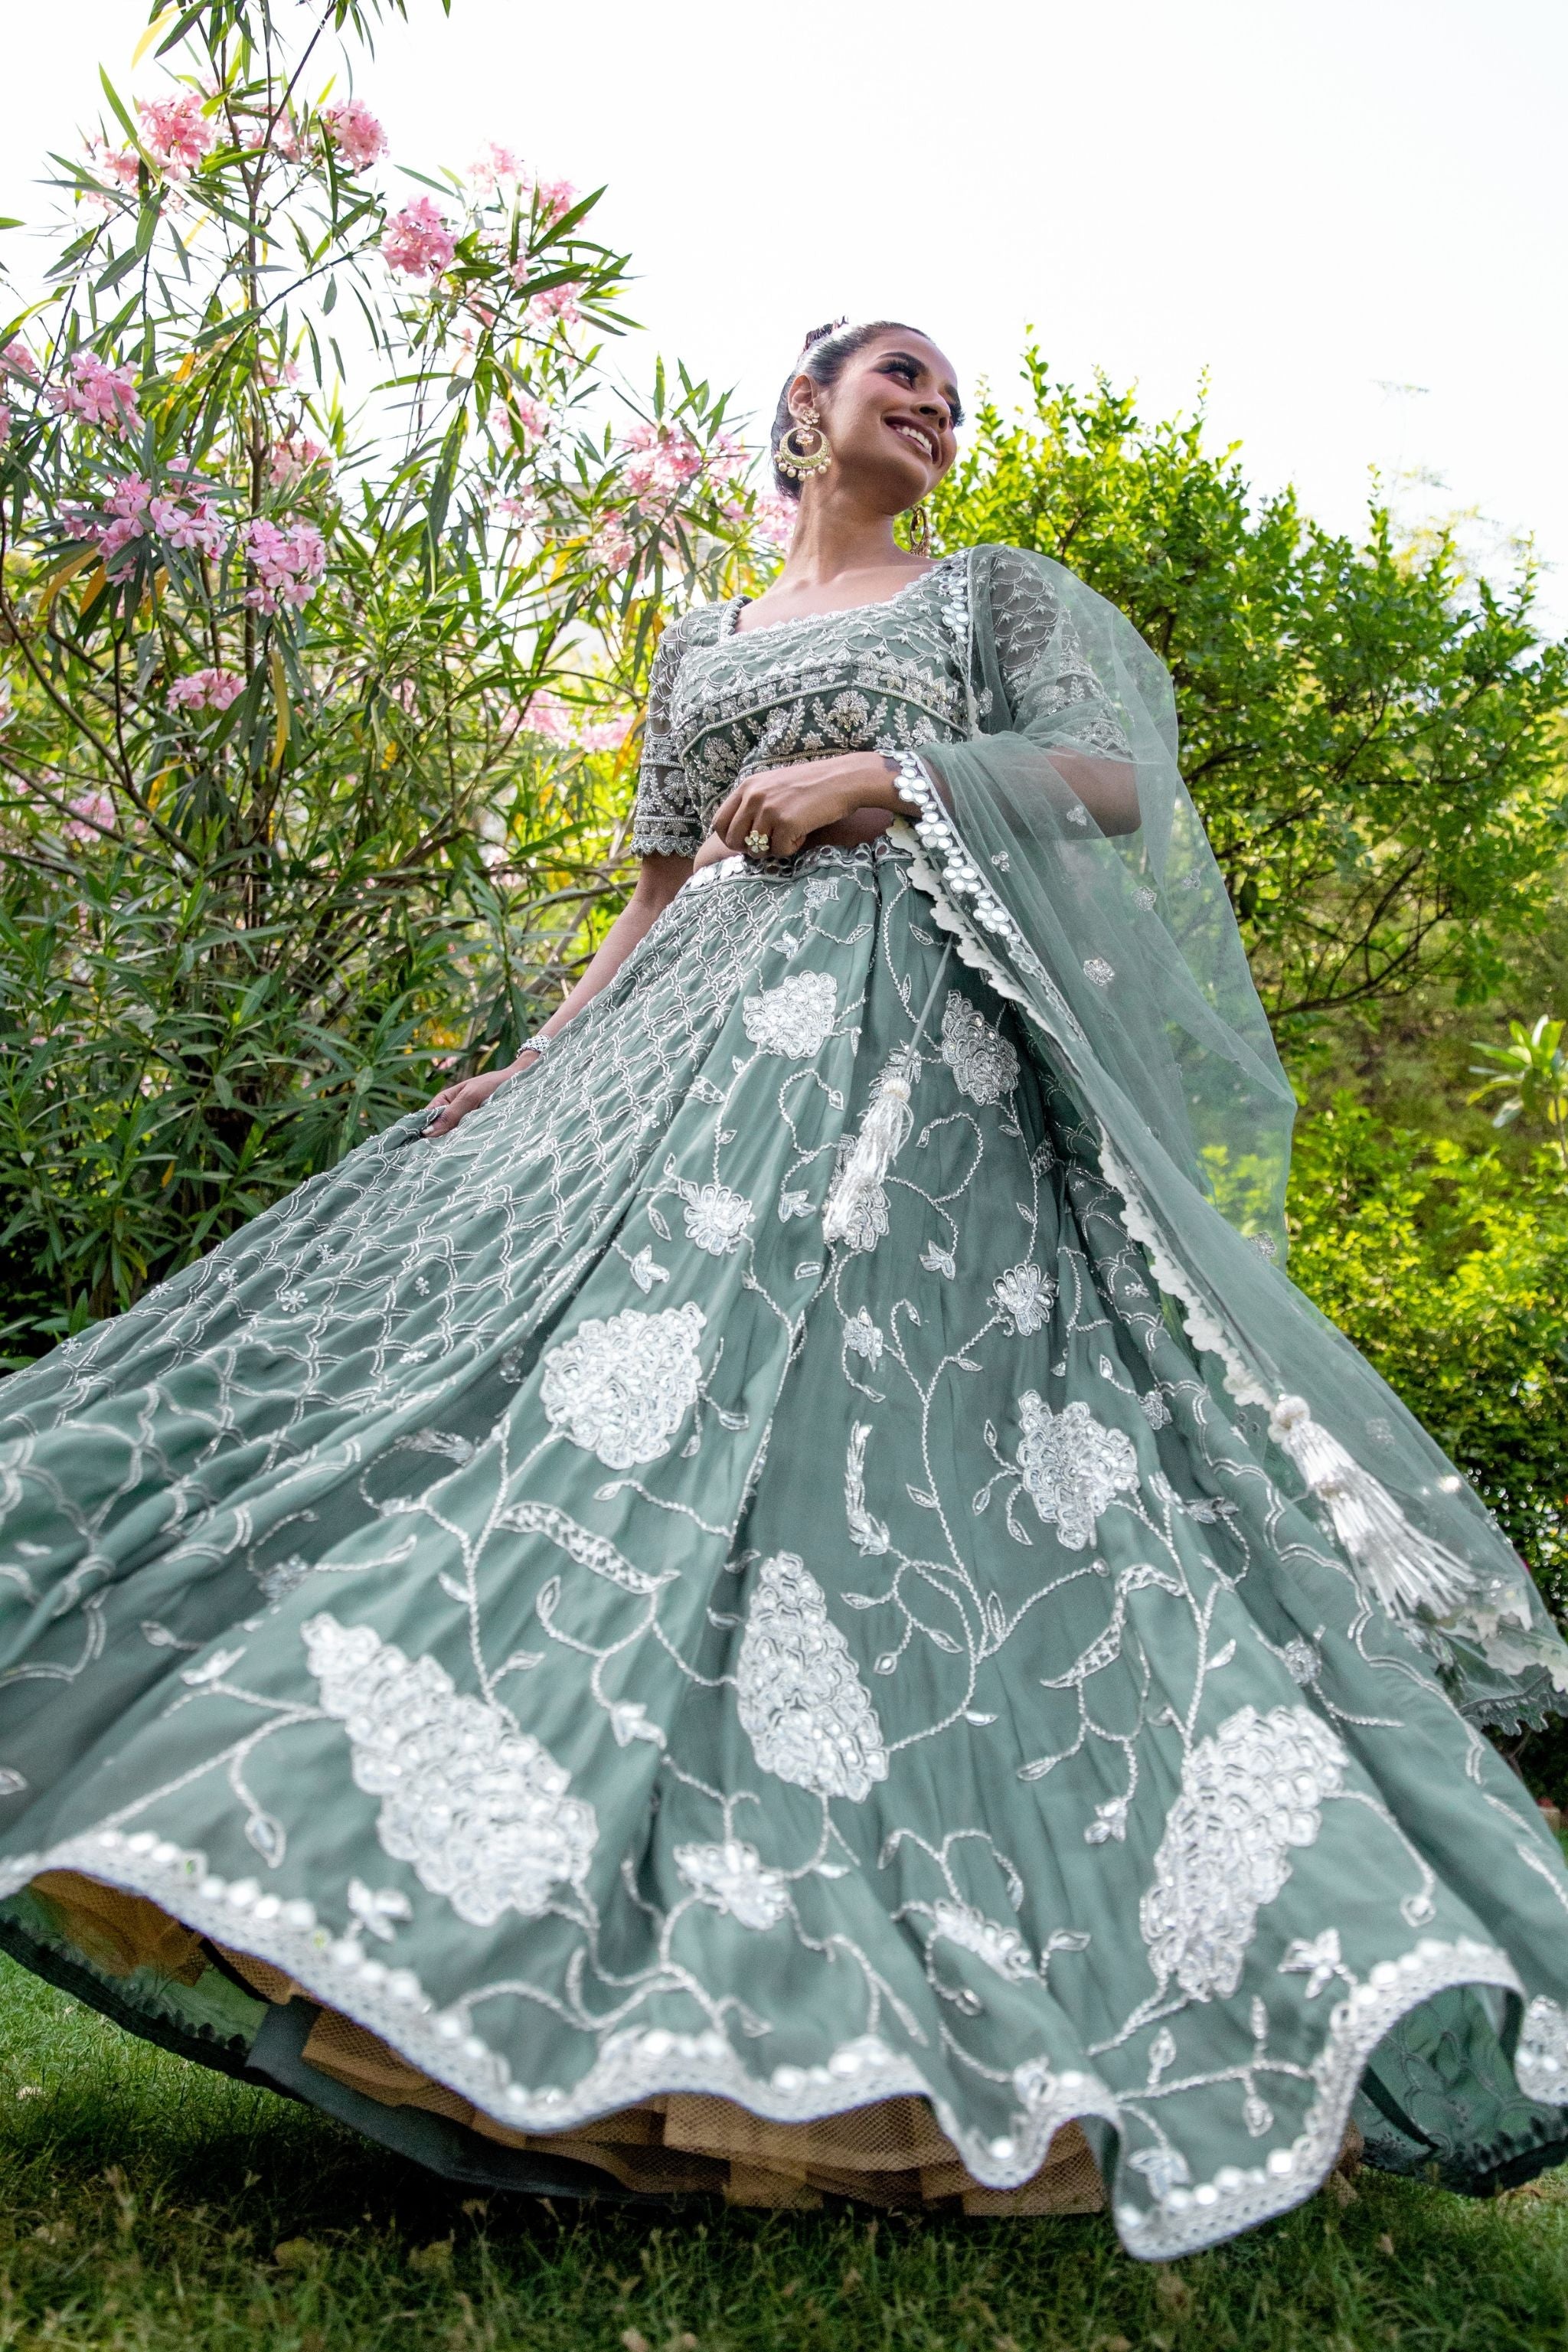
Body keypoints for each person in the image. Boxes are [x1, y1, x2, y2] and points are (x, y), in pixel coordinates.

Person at [2, 319, 1566, 2255]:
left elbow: (1105, 783)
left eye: (951, 393)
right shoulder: (707, 638)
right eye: (894, 372)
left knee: (883, 1487)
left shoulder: (986, 596)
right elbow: (654, 894)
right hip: (686, 1083)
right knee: (597, 1445)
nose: (933, 403)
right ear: (801, 411)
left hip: (921, 1085)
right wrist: (539, 1058)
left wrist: (882, 776)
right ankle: (516, 1936)